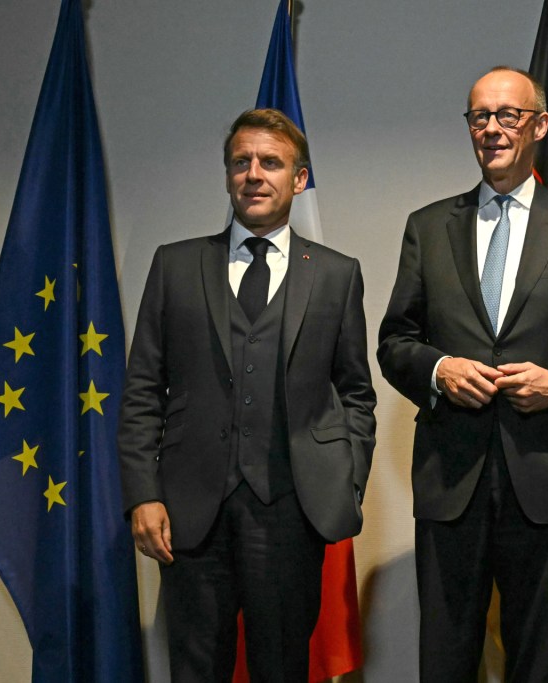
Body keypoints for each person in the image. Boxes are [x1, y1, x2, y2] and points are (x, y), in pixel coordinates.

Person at [377, 66, 548, 682]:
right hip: (452, 484)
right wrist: (440, 368)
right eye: (480, 116)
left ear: (541, 125)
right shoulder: (427, 227)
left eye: (509, 115)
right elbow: (395, 342)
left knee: (537, 665)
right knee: (445, 662)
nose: (493, 129)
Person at [118, 108, 376, 683]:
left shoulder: (337, 274)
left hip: (291, 512)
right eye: (242, 162)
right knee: (194, 669)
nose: (254, 174)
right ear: (228, 173)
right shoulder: (176, 265)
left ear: (299, 179)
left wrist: (344, 477)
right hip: (189, 513)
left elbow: (356, 392)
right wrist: (142, 494)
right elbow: (140, 390)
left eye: (271, 163)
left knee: (282, 668)